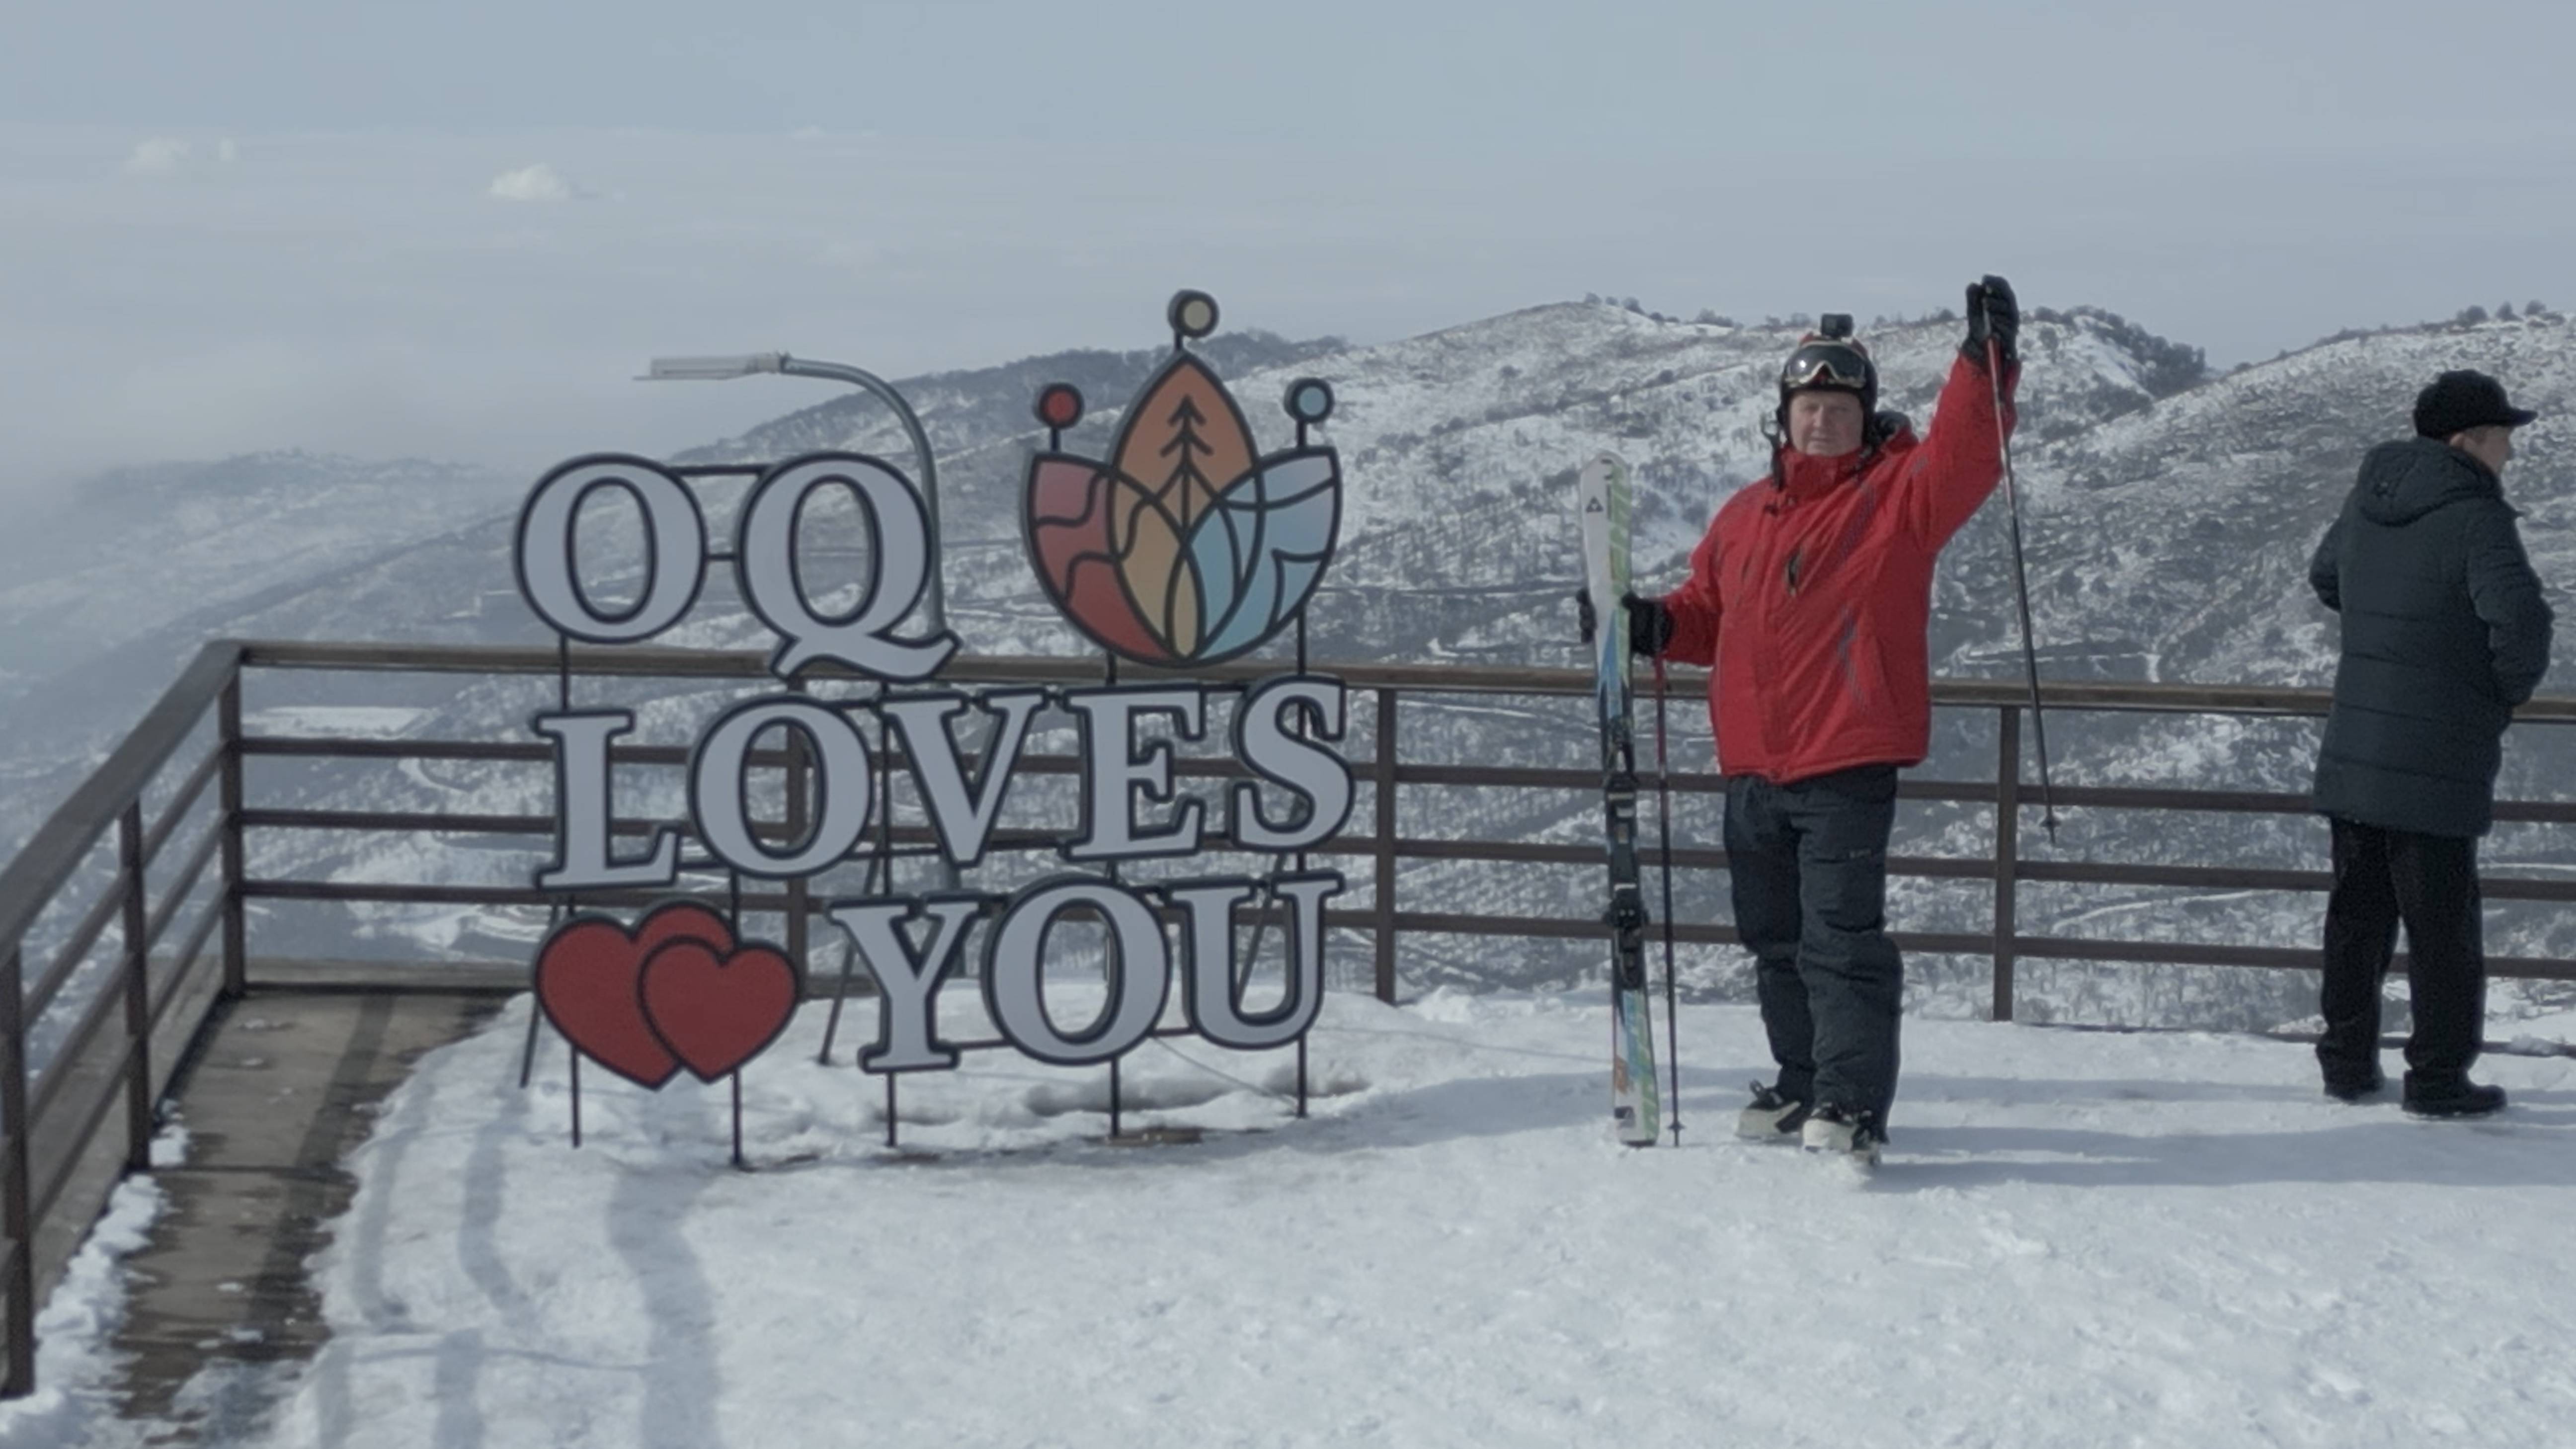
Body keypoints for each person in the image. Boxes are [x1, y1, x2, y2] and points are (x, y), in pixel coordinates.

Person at [1624, 278, 2021, 1165]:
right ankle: (1802, 1081)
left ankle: (1851, 1103)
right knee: (1774, 941)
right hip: (1753, 767)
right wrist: (1652, 624)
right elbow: (1708, 614)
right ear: (1784, 414)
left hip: (1845, 758)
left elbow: (1966, 454)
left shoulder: (1899, 499)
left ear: (1866, 415)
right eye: (1810, 406)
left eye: (1841, 407)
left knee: (1840, 944)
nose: (1823, 422)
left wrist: (1983, 360)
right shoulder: (1743, 515)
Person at [2308, 369, 2552, 1118]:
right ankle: (2439, 1077)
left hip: (2357, 739)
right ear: (2468, 440)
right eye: (2504, 436)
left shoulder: (2370, 497)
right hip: (2438, 752)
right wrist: (2495, 694)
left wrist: (2388, 626)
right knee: (2443, 925)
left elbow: (2325, 578)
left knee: (2358, 914)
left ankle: (2347, 1063)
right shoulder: (2477, 516)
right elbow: (2522, 625)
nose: (2510, 451)